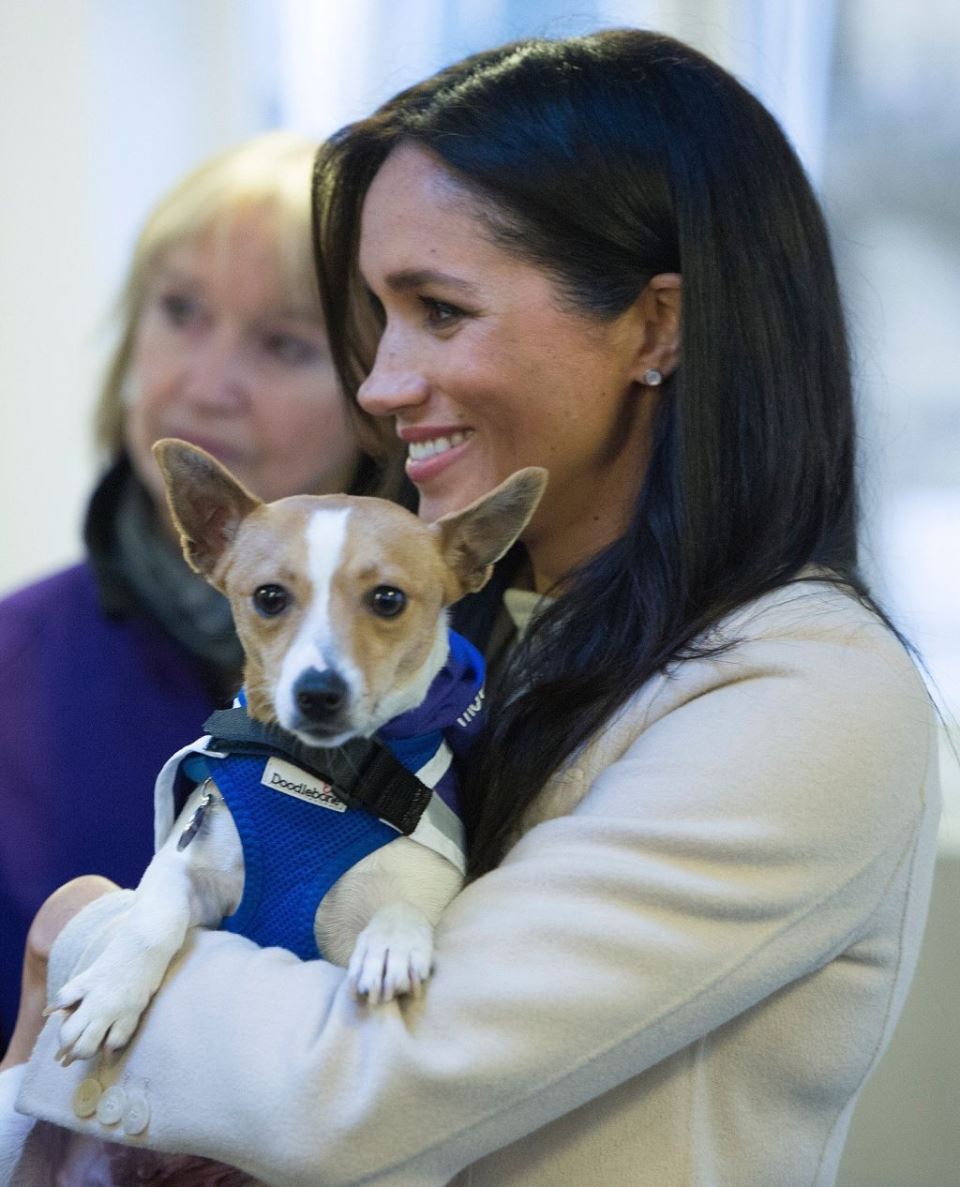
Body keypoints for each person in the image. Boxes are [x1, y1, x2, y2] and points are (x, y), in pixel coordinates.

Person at [2, 29, 940, 1187]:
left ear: (656, 327)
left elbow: (370, 1082)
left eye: (440, 310)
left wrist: (89, 934)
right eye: (376, 317)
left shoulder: (803, 697)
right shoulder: (488, 643)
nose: (380, 382)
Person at [0, 131, 394, 1052]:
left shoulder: (468, 676)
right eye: (179, 310)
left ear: (384, 395)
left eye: (285, 344)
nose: (206, 384)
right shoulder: (14, 663)